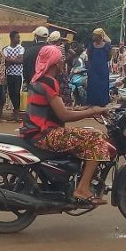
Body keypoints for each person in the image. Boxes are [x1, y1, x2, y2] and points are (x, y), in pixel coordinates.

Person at [20, 45, 109, 205]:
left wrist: (83, 109)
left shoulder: (38, 80)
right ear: (55, 63)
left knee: (86, 135)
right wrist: (93, 111)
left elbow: (57, 109)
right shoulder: (50, 82)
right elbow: (64, 115)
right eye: (60, 59)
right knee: (97, 137)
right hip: (46, 135)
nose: (63, 62)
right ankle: (82, 188)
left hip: (35, 133)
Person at [86, 28, 112, 108]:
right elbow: (89, 57)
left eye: (95, 35)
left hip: (103, 70)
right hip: (93, 70)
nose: (93, 36)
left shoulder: (107, 46)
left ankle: (102, 104)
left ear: (100, 36)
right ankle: (92, 103)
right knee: (92, 85)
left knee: (103, 86)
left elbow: (109, 57)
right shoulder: (91, 46)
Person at [3, 31, 25, 122]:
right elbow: (5, 62)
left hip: (18, 75)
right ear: (12, 38)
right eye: (17, 37)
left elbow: (20, 60)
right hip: (9, 74)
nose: (19, 39)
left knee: (16, 93)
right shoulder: (6, 49)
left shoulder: (21, 48)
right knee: (11, 94)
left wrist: (10, 60)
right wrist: (15, 59)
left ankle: (16, 114)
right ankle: (14, 113)